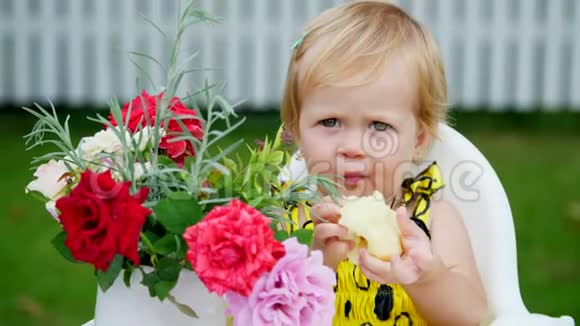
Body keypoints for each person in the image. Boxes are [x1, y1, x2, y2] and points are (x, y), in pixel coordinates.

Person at [279, 1, 488, 325]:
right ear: (296, 129)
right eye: (331, 122)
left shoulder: (431, 222)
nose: (352, 147)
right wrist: (316, 265)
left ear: (418, 139)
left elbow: (472, 317)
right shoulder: (282, 219)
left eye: (379, 126)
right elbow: (254, 314)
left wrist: (426, 278)